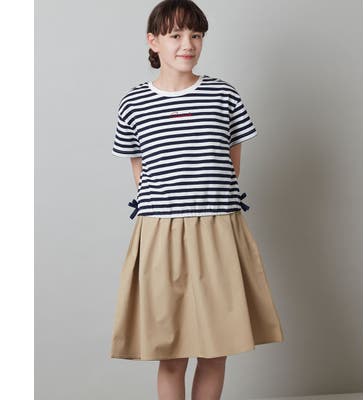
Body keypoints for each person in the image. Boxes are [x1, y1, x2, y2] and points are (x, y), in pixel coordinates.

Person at [110, 1, 284, 399]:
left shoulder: (223, 95)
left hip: (218, 229)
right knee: (171, 354)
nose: (187, 44)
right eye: (175, 35)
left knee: (215, 349)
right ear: (153, 41)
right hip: (161, 234)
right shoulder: (133, 103)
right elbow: (141, 173)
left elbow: (230, 165)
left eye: (196, 35)